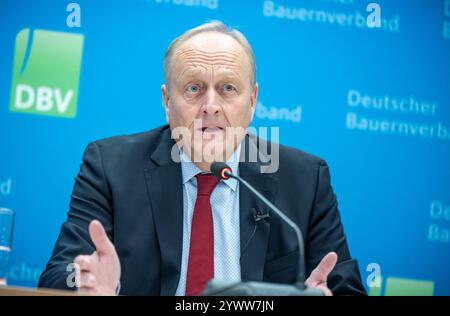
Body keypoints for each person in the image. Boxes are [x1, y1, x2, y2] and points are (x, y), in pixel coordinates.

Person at [38, 21, 366, 296]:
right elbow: (57, 277)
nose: (210, 105)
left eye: (227, 88)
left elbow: (344, 288)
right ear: (168, 101)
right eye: (194, 89)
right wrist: (87, 284)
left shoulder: (305, 180)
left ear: (251, 101)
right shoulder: (110, 166)